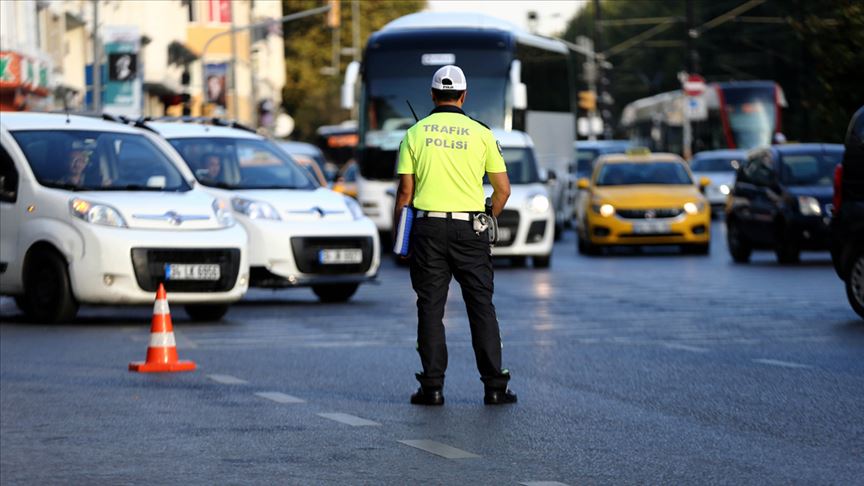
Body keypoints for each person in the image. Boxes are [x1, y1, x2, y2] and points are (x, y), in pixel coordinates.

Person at [393, 65, 516, 406]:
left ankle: (432, 388)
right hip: (470, 229)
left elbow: (405, 193)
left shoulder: (414, 133)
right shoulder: (481, 133)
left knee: (431, 308)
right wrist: (487, 217)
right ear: (463, 95)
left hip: (427, 230)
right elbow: (503, 190)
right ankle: (495, 386)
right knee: (480, 306)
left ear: (433, 95)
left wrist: (401, 236)